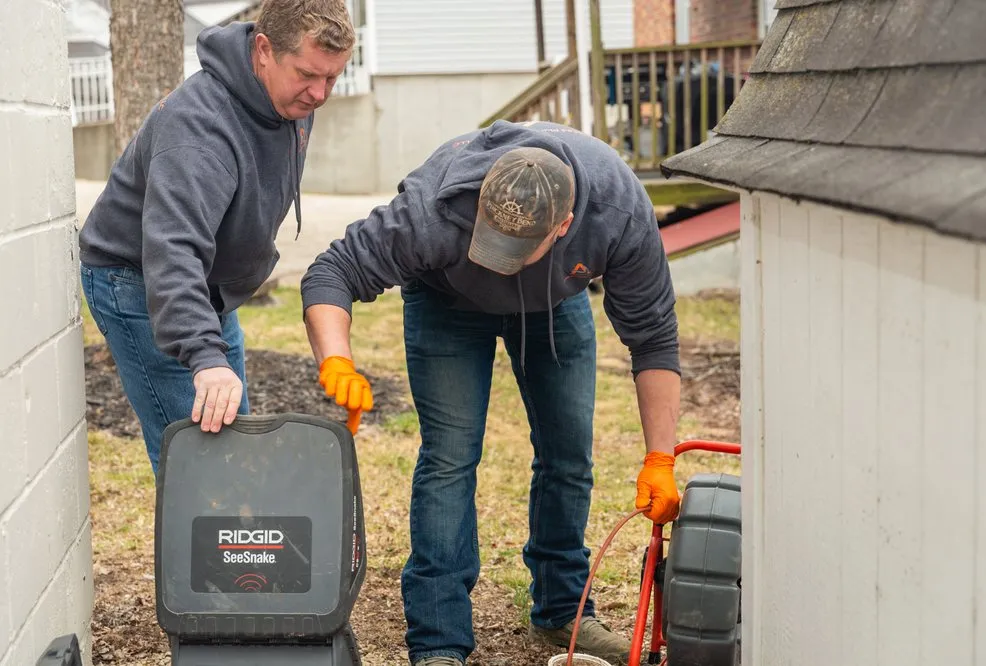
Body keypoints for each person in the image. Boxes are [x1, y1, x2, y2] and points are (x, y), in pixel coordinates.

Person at [300, 119, 683, 666]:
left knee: (568, 455)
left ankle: (563, 611)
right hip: (447, 304)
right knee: (451, 457)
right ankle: (438, 640)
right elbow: (332, 272)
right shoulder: (433, 209)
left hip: (555, 304)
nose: (497, 260)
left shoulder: (617, 213)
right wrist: (336, 359)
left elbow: (654, 341)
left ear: (565, 225)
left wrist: (659, 457)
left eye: (514, 251)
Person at [78, 0, 356, 474]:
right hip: (142, 280)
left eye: (332, 78)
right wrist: (204, 354)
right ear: (264, 50)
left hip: (208, 285)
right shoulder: (199, 128)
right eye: (309, 75)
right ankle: (207, 545)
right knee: (200, 465)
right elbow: (172, 249)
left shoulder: (288, 96)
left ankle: (229, 542)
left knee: (230, 446)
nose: (320, 94)